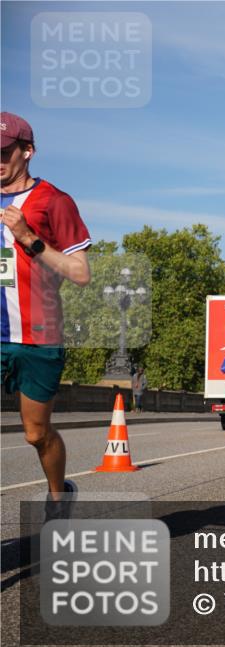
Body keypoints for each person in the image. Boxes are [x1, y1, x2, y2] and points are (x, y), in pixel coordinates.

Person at [1, 112, 92, 516]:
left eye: (4, 152)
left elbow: (80, 273)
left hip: (37, 336)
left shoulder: (54, 201)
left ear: (28, 151)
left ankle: (59, 495)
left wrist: (29, 239)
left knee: (36, 434)